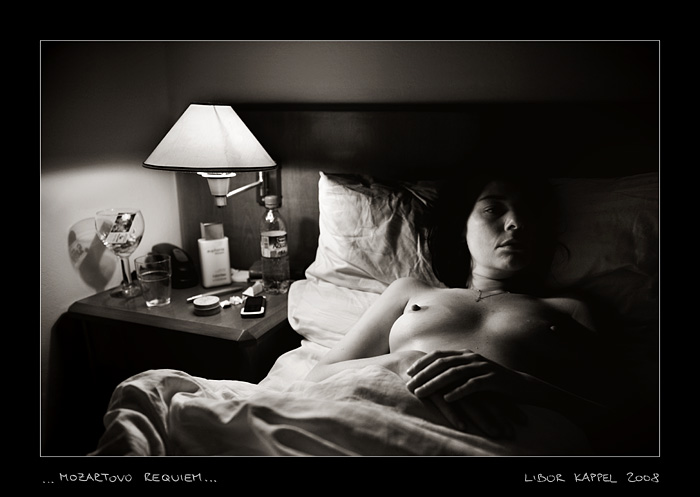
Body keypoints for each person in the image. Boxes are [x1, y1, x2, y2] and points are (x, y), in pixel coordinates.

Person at [305, 172, 608, 442]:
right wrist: (400, 361)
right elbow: (320, 376)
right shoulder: (410, 291)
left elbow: (617, 415)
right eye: (493, 209)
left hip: (499, 438)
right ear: (462, 226)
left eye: (529, 212)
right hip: (381, 422)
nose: (516, 223)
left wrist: (520, 384)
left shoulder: (569, 309)